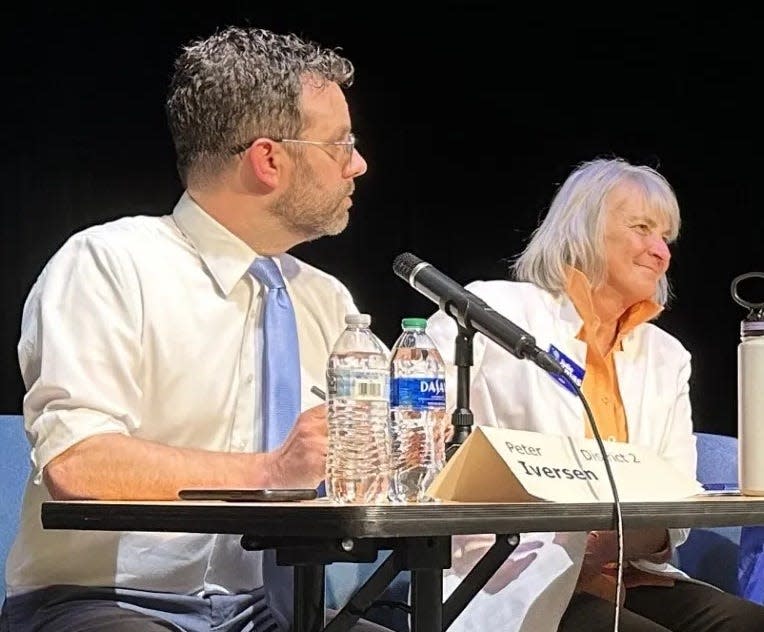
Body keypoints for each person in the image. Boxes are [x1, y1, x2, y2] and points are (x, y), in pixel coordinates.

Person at [0, 25, 393, 632]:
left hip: (278, 610)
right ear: (269, 159)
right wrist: (270, 471)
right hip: (106, 602)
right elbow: (79, 465)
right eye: (339, 144)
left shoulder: (327, 300)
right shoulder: (108, 263)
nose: (358, 165)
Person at [425, 157, 764, 631]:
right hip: (514, 573)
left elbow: (679, 497)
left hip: (633, 573)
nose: (660, 251)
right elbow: (416, 419)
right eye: (642, 228)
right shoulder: (493, 312)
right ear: (580, 227)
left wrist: (611, 544)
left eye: (665, 238)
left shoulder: (667, 355)